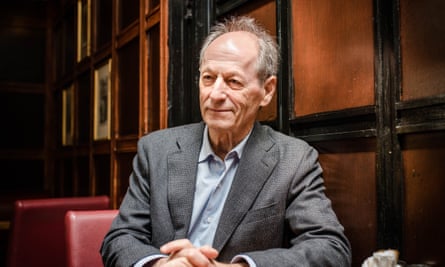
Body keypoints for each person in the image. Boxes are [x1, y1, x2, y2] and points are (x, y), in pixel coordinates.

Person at [101, 16, 351, 267]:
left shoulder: (294, 160)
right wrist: (158, 265)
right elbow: (121, 237)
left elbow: (330, 248)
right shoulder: (156, 150)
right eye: (208, 78)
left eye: (233, 82)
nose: (215, 94)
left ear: (267, 91)